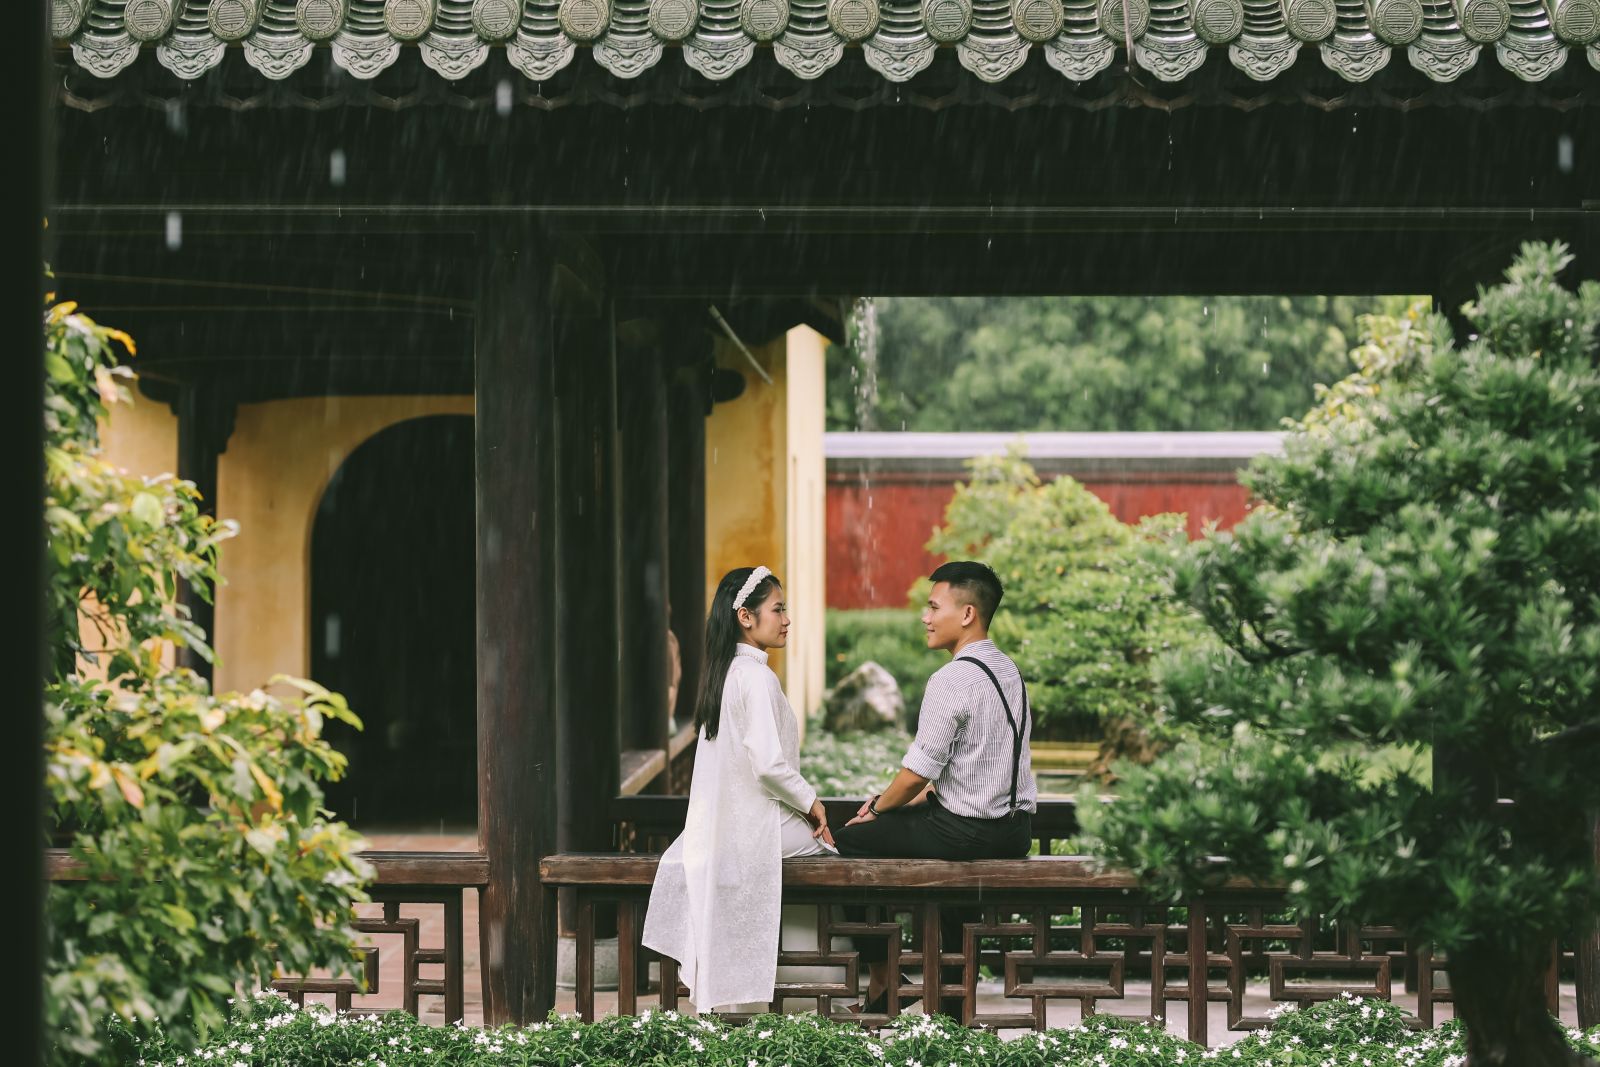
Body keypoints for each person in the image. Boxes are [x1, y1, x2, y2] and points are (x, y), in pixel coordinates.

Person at [832, 560, 1037, 1016]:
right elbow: (978, 767)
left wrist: (878, 809)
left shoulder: (951, 678)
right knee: (946, 875)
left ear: (967, 614)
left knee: (848, 843)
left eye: (932, 606)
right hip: (1014, 831)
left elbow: (916, 774)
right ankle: (949, 1004)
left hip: (967, 831)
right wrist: (905, 803)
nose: (924, 617)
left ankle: (885, 976)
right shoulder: (1009, 671)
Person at [642, 566, 837, 1013]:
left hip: (724, 829)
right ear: (746, 617)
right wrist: (812, 803)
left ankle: (799, 987)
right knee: (838, 852)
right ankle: (826, 985)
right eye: (778, 609)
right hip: (757, 827)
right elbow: (768, 766)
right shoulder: (756, 678)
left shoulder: (725, 673)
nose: (786, 619)